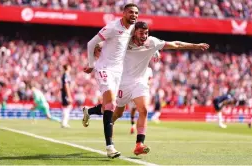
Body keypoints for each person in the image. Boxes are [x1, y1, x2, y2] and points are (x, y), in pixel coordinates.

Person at [85, 21, 209, 156]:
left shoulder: (152, 42)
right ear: (134, 32)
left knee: (143, 109)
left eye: (146, 33)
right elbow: (100, 46)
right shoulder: (124, 42)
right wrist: (94, 59)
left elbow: (175, 44)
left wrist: (195, 46)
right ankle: (91, 111)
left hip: (139, 81)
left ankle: (139, 144)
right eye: (141, 33)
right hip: (122, 82)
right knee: (117, 113)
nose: (144, 35)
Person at [82, 3, 139, 158]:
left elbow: (140, 42)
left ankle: (89, 111)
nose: (134, 15)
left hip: (119, 72)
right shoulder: (113, 27)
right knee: (111, 105)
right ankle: (110, 147)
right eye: (131, 12)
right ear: (124, 13)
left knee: (112, 108)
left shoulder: (132, 30)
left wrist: (154, 53)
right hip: (104, 69)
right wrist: (92, 64)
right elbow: (91, 43)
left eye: (136, 13)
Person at [129, 66, 153, 134]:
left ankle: (140, 131)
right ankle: (133, 124)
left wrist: (148, 82)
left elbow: (151, 79)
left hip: (145, 91)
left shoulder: (149, 70)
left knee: (143, 110)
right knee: (133, 109)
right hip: (136, 91)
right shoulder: (137, 66)